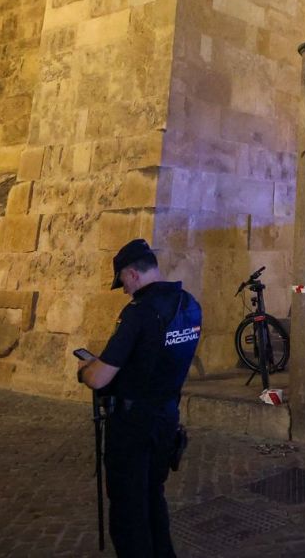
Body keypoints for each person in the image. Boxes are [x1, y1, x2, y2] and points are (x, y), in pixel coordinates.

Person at [77, 238, 202, 558]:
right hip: (166, 420)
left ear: (131, 274)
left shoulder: (139, 313)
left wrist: (86, 370)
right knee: (152, 498)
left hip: (132, 426)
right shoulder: (189, 304)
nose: (125, 291)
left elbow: (102, 377)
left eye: (122, 283)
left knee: (128, 512)